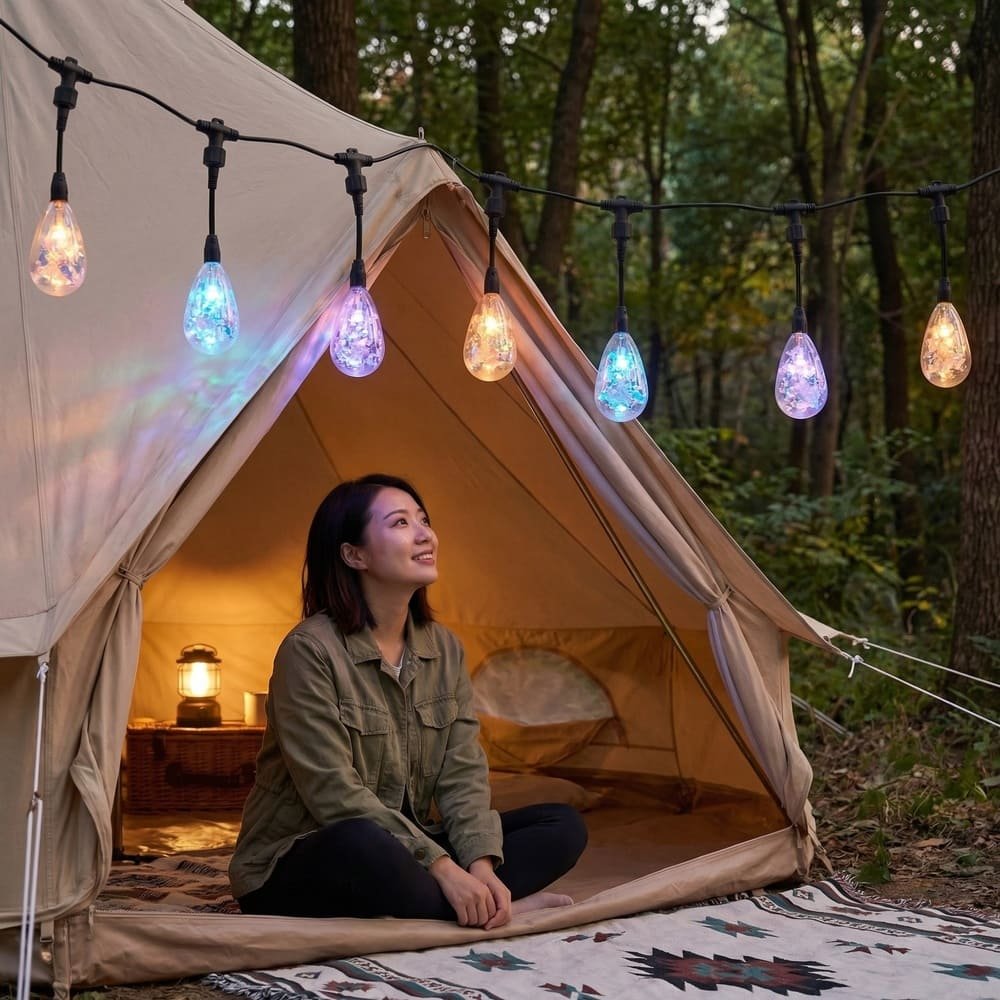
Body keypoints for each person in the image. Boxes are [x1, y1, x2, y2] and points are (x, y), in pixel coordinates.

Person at [230, 473, 587, 928]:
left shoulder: (444, 648)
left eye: (424, 519)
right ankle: (493, 908)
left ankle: (471, 900)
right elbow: (333, 793)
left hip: (405, 849)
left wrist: (479, 865)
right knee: (360, 842)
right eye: (400, 523)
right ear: (353, 554)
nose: (425, 534)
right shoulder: (310, 651)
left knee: (561, 826)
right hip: (305, 857)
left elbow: (462, 772)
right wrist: (441, 867)